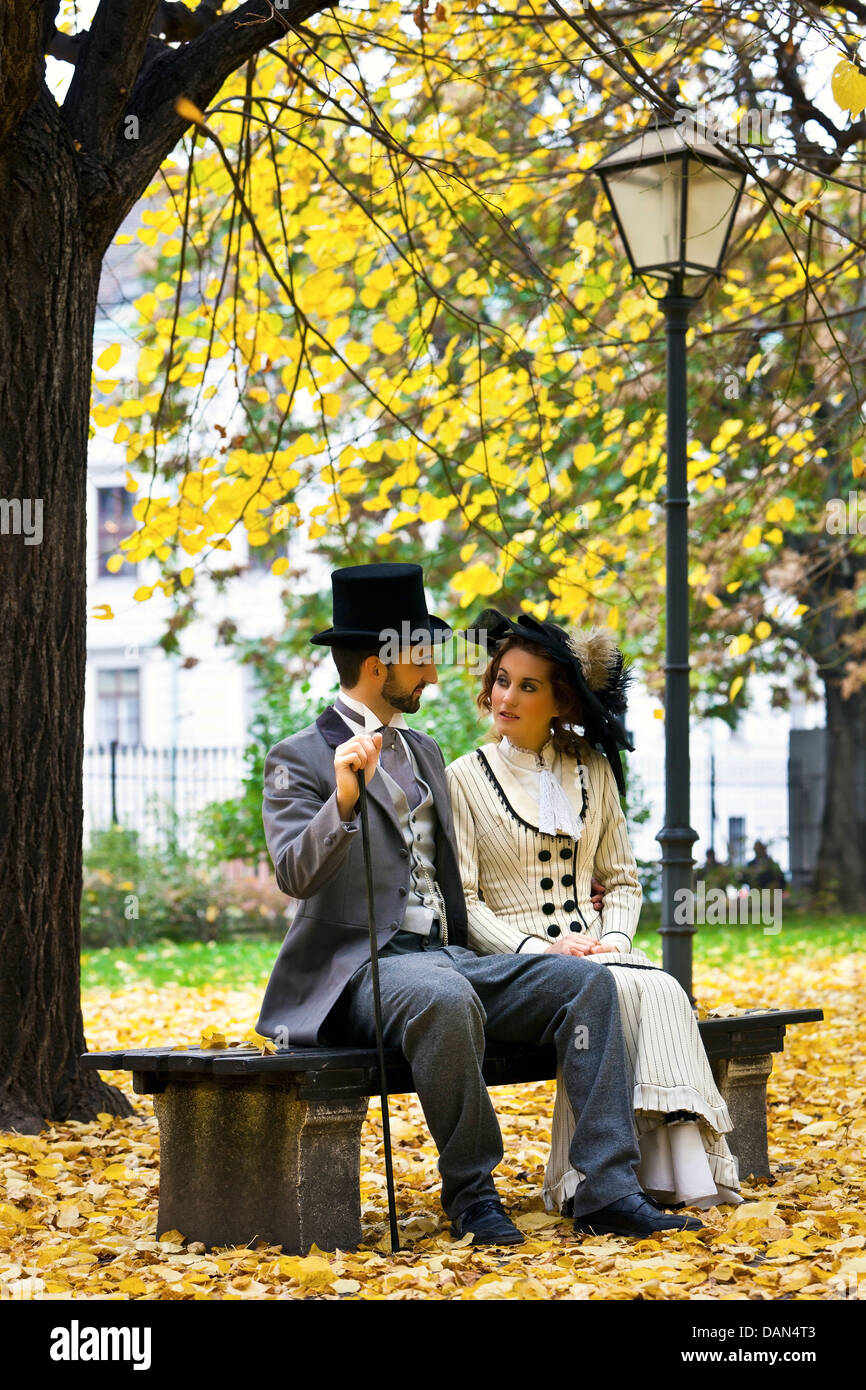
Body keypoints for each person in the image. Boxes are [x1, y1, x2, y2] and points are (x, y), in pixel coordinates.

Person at [256, 563, 703, 1245]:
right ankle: (472, 1194)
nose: (433, 674)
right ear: (383, 664)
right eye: (423, 659)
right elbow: (294, 873)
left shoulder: (426, 752)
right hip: (362, 974)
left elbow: (462, 882)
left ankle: (608, 1188)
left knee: (588, 986)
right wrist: (343, 799)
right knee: (442, 998)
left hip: (447, 956)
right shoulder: (298, 758)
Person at [445, 609, 742, 1214]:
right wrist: (538, 949)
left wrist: (611, 939)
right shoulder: (463, 779)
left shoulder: (594, 770)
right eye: (503, 680)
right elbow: (467, 904)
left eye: (528, 686)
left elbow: (623, 881)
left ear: (559, 700)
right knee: (624, 992)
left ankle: (670, 1177)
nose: (507, 696)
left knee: (660, 990)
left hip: (600, 948)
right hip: (523, 964)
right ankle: (595, 1184)